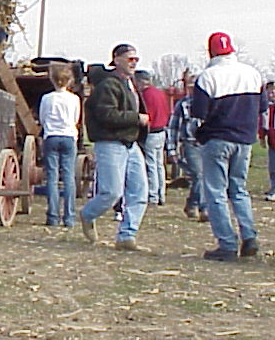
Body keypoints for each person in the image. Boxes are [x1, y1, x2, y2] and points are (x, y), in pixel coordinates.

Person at [191, 32, 267, 262]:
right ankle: (249, 236)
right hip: (244, 139)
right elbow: (262, 108)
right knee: (239, 189)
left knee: (215, 192)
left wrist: (199, 135)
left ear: (210, 51)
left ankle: (227, 243)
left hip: (217, 138)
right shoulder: (253, 74)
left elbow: (198, 115)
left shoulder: (208, 77)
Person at [78, 43, 150, 251]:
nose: (134, 63)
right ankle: (88, 214)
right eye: (130, 59)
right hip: (110, 142)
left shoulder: (130, 84)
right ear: (116, 60)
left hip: (130, 143)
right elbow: (106, 115)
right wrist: (136, 118)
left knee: (139, 191)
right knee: (111, 192)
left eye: (136, 59)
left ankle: (127, 236)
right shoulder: (108, 85)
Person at [39, 63, 81, 227]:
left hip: (51, 136)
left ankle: (53, 216)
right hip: (69, 136)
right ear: (69, 80)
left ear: (52, 79)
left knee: (52, 177)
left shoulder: (47, 98)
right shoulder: (74, 99)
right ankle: (69, 217)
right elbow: (76, 119)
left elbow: (43, 118)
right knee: (69, 177)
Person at [167, 75, 207, 221]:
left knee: (205, 177)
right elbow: (173, 128)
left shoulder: (212, 103)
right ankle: (203, 208)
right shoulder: (183, 105)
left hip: (208, 144)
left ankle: (192, 203)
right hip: (190, 143)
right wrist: (172, 149)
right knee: (199, 175)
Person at [134, 70, 170, 206]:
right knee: (159, 165)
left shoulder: (145, 96)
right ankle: (161, 194)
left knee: (150, 165)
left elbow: (146, 115)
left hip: (151, 132)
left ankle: (152, 195)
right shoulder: (160, 93)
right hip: (162, 131)